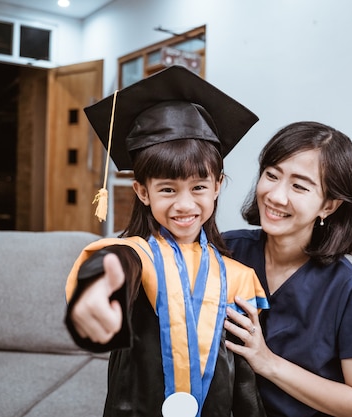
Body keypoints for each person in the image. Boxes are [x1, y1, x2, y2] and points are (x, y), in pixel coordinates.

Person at [64, 65, 269, 417]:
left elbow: (244, 377)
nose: (185, 204)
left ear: (218, 185)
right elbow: (117, 261)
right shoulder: (139, 254)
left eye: (199, 187)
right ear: (143, 192)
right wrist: (99, 285)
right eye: (168, 189)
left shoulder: (239, 276)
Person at [222, 121, 352, 417]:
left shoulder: (348, 288)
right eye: (271, 175)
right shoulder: (226, 251)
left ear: (329, 206)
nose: (275, 195)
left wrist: (268, 362)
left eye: (299, 186)